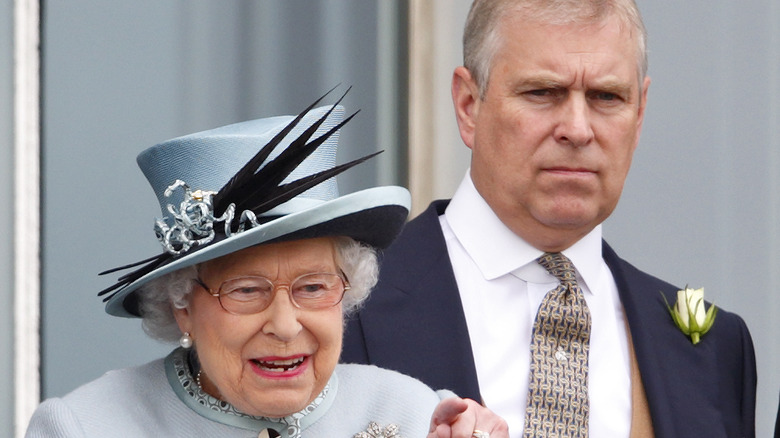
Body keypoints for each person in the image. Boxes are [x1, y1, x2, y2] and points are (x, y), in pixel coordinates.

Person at [342, 1, 757, 437]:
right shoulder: (336, 308)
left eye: (606, 96)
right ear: (468, 105)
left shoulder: (717, 353)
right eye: (542, 92)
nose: (577, 129)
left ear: (639, 115)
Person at [26, 92, 509, 438]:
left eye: (314, 287)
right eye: (246, 290)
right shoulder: (84, 426)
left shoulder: (415, 415)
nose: (284, 325)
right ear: (182, 306)